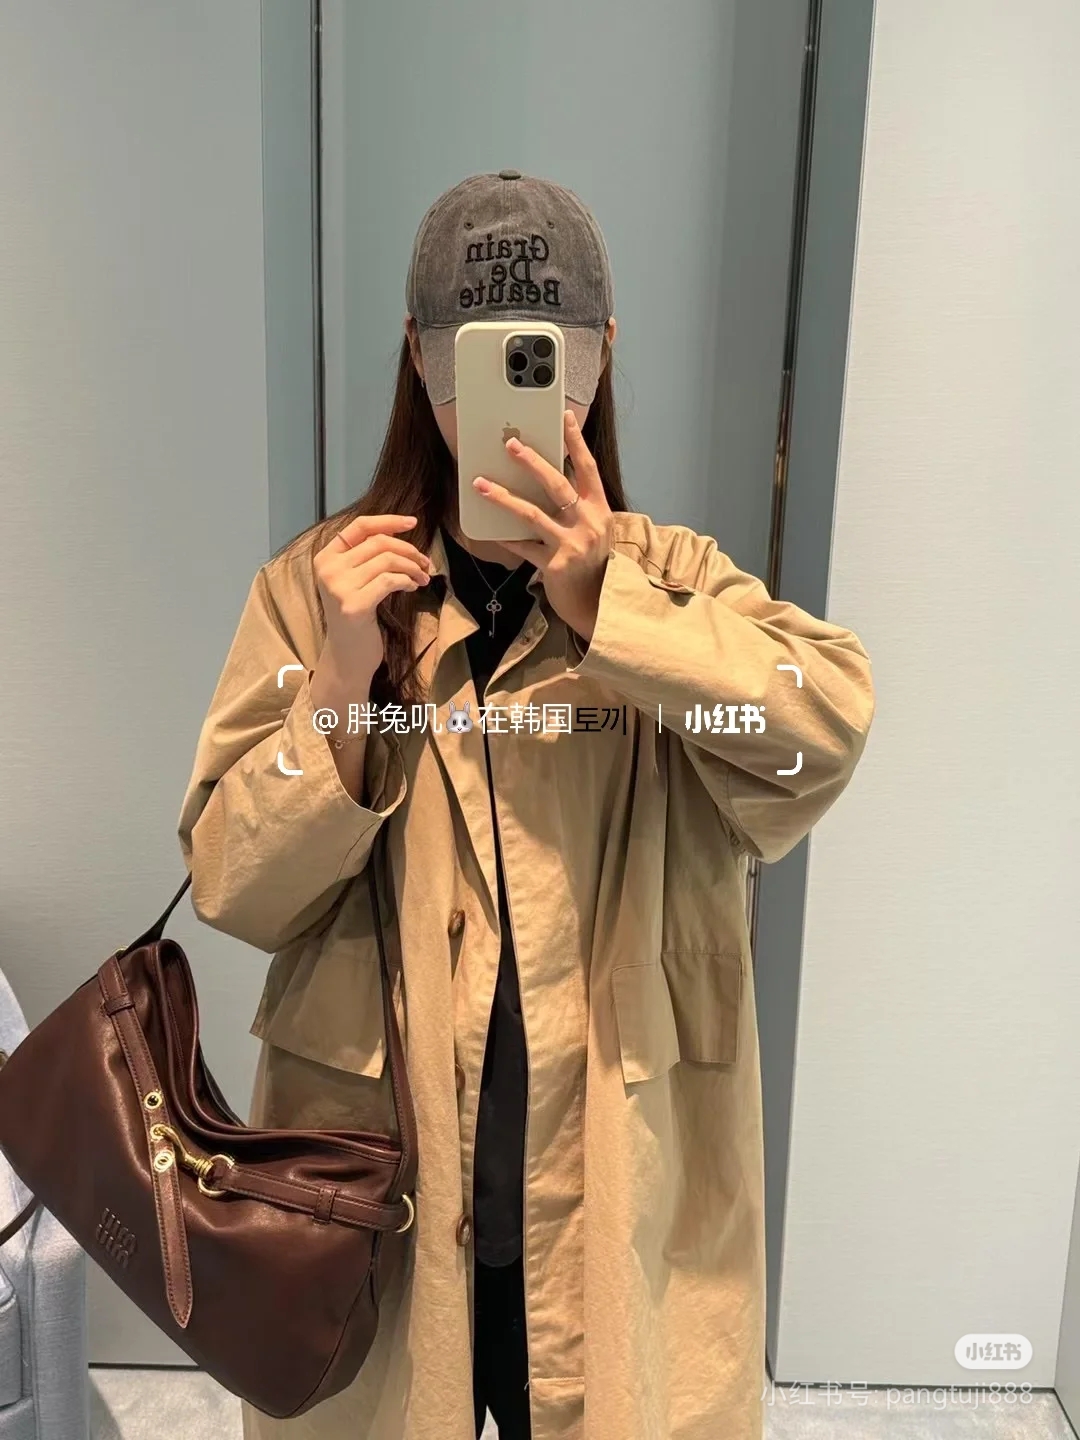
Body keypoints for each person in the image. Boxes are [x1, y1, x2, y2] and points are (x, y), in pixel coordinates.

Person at [177, 171, 875, 1440]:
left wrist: (620, 617)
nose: (513, 406)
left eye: (548, 362)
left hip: (617, 1182)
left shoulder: (673, 583)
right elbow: (233, 882)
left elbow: (813, 736)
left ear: (602, 359)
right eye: (477, 362)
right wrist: (340, 685)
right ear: (416, 358)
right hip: (383, 1182)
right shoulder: (321, 592)